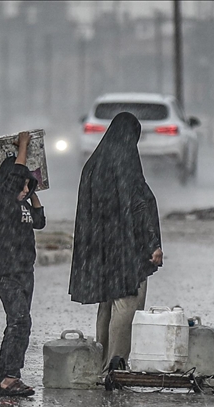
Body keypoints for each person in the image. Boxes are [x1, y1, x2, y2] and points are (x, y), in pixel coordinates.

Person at [69, 112, 163, 372]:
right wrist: (152, 243)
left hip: (100, 247)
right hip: (126, 247)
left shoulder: (94, 164)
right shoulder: (127, 162)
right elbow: (139, 206)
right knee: (126, 303)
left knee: (107, 303)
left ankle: (103, 360)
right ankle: (116, 363)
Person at [0, 131, 46, 397]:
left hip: (25, 270)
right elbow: (13, 178)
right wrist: (23, 145)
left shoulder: (22, 201)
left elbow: (40, 222)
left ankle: (1, 377)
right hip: (6, 270)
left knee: (16, 322)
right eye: (20, 185)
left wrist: (33, 190)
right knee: (21, 321)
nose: (23, 190)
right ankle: (11, 377)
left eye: (26, 186)